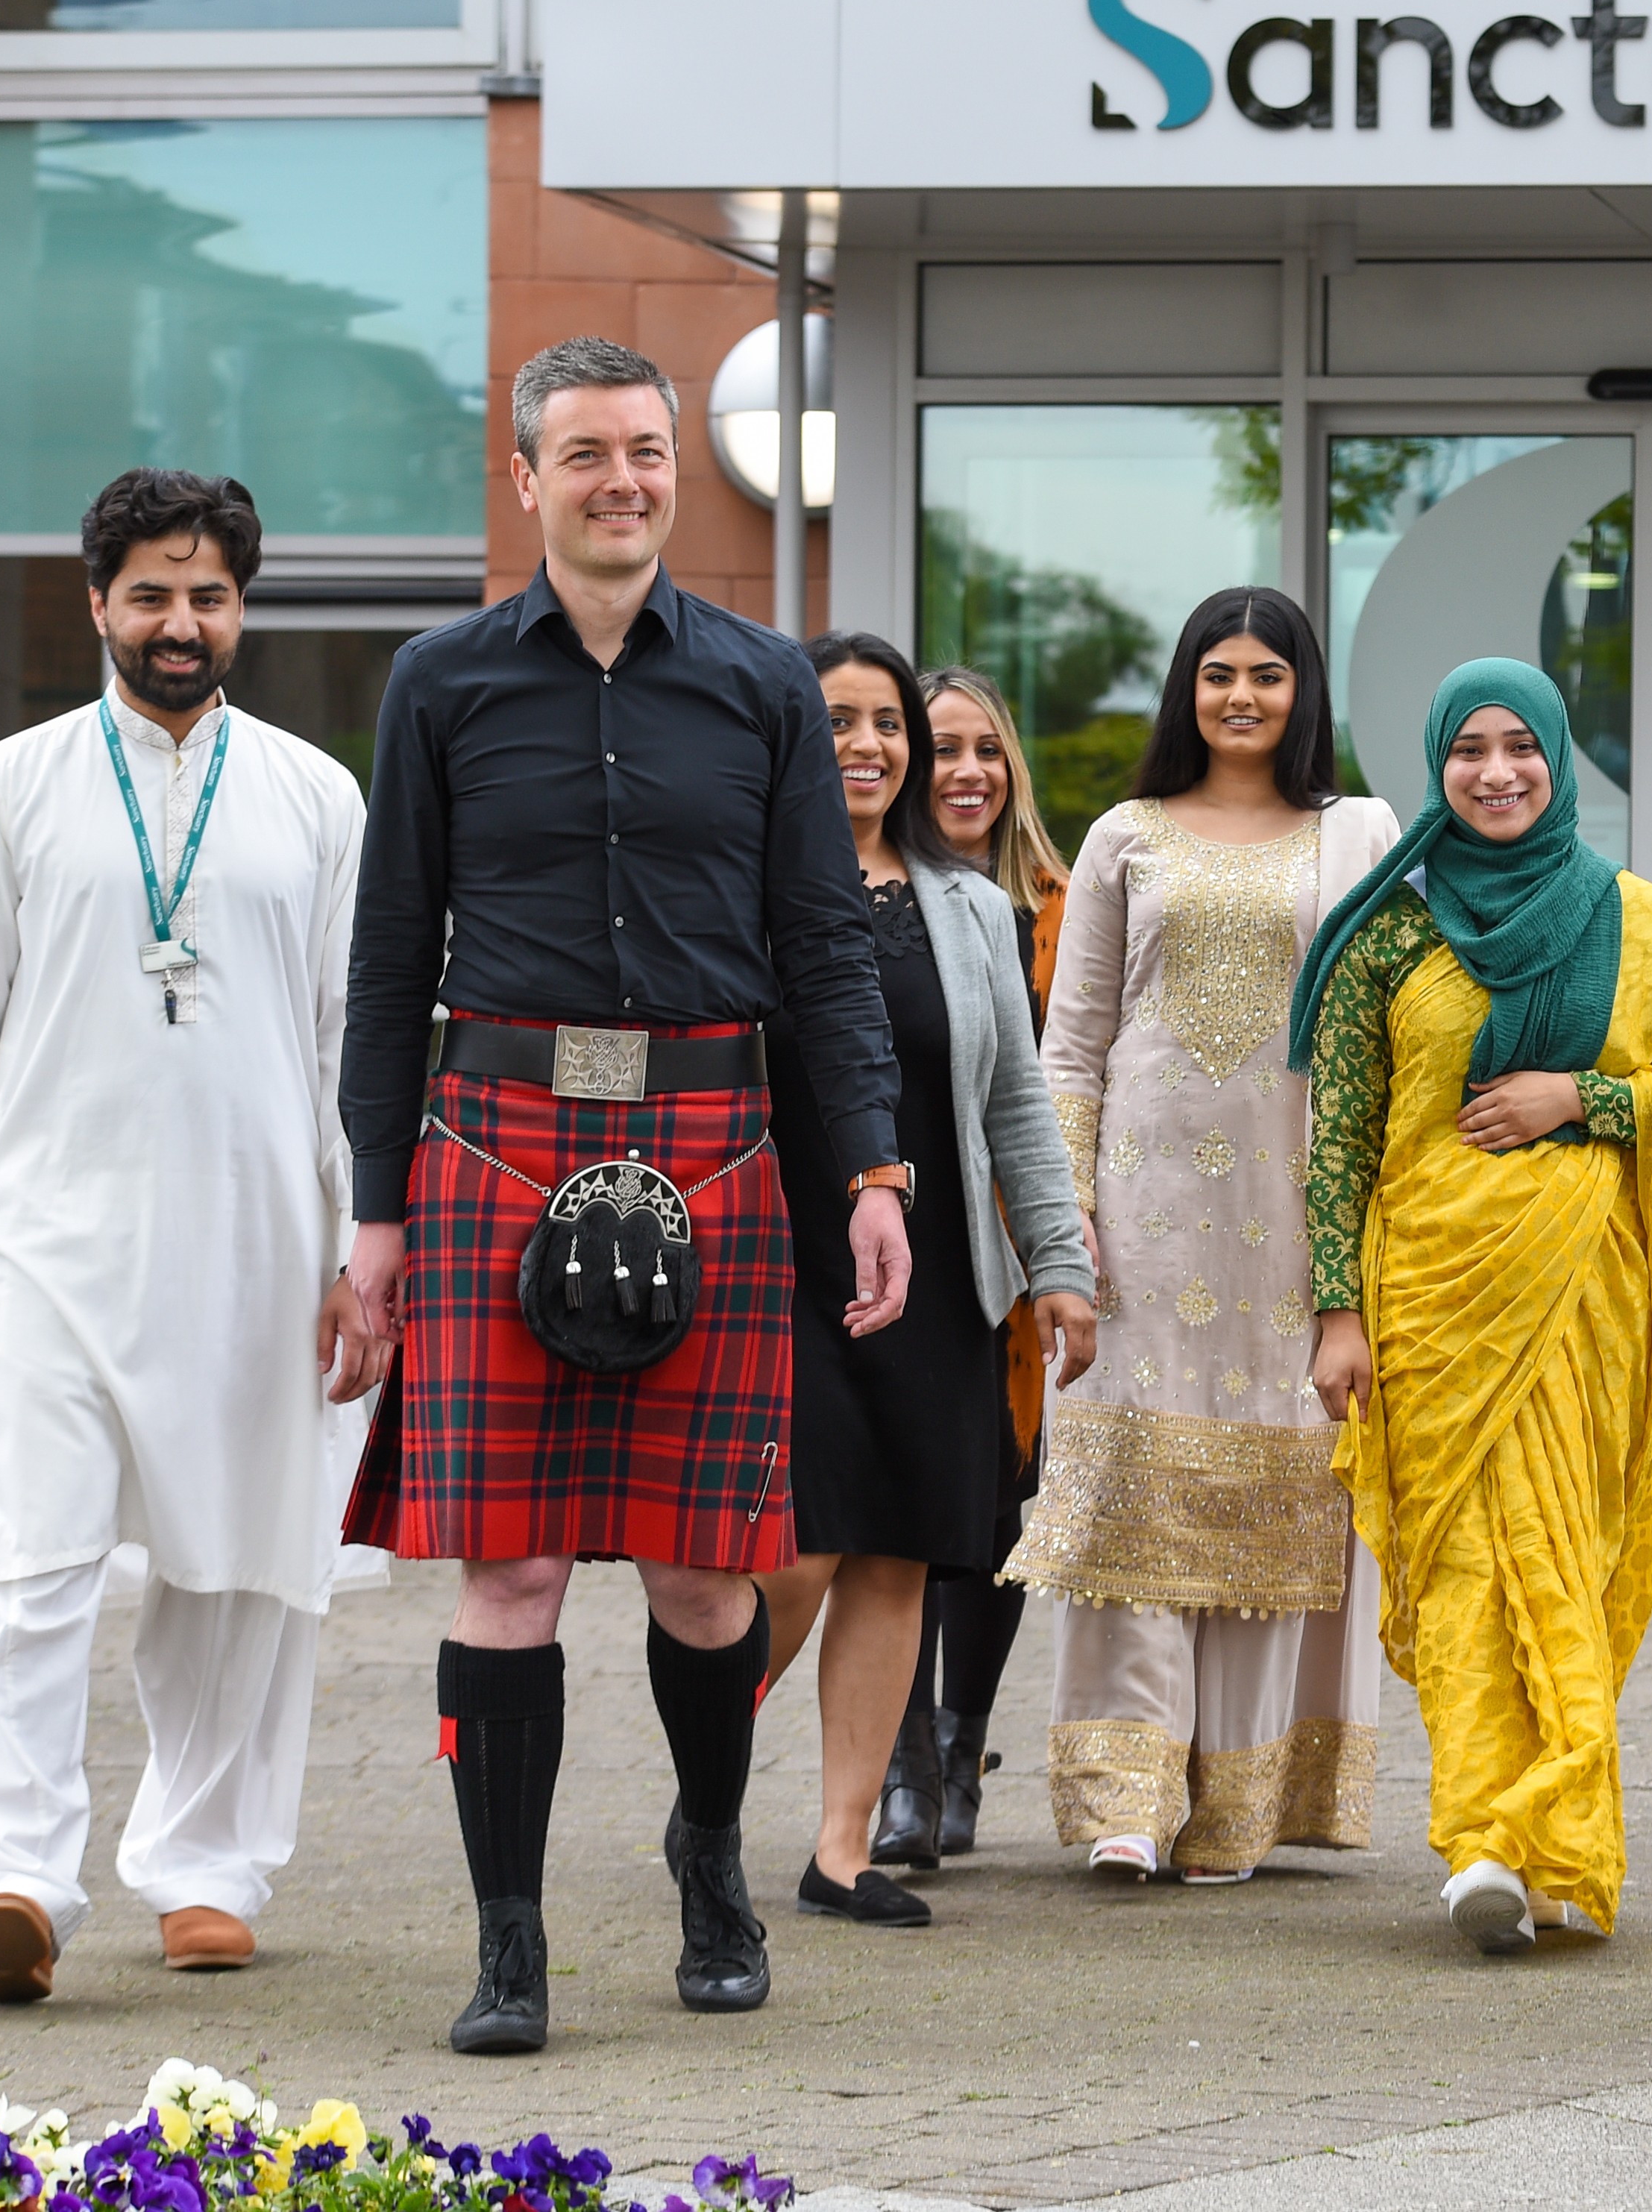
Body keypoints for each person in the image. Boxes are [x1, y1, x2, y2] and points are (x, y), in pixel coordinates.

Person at [339, 337, 915, 2055]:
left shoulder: (757, 685)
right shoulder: (438, 681)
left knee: (702, 1573)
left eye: (646, 451)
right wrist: (377, 1205)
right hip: (490, 1137)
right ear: (526, 478)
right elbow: (388, 958)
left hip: (715, 1136)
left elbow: (824, 947)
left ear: (676, 470)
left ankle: (710, 1861)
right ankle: (507, 1938)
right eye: (584, 452)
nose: (622, 479)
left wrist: (870, 1167)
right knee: (506, 1573)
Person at [0, 468, 385, 2005]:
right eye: (154, 594)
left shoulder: (315, 795)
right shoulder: (5, 788)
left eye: (211, 595)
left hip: (257, 1244)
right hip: (39, 1244)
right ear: (97, 602)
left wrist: (366, 1241)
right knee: (21, 1564)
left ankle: (209, 1865)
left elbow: (349, 1039)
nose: (183, 622)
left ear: (243, 611)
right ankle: (8, 1875)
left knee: (239, 1569)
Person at [1295, 662, 1652, 1955]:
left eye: (1520, 748)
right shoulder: (1390, 926)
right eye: (1468, 751)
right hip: (1427, 1288)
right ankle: (1488, 1838)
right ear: (1434, 766)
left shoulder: (1636, 920)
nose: (1495, 772)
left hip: (1583, 1294)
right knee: (1468, 1571)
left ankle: (1554, 1837)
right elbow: (1340, 1136)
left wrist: (1579, 1100)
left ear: (1556, 758)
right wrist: (1336, 1312)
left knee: (1563, 1557)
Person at [1007, 585, 1401, 1882]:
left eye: (1267, 676)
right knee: (1134, 1488)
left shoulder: (1360, 833)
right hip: (1144, 1210)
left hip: (1296, 1216)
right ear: (1185, 688)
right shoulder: (1126, 831)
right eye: (1217, 673)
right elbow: (1070, 1046)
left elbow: (1387, 1035)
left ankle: (1234, 1805)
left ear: (1304, 694)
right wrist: (1064, 1223)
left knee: (1274, 1496)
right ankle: (1128, 1793)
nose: (1240, 696)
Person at [754, 635, 1095, 1925]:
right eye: (838, 719)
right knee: (795, 1552)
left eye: (887, 722)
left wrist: (1057, 1265)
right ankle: (707, 1783)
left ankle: (842, 1848)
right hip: (783, 1261)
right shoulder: (746, 887)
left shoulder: (968, 906)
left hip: (944, 1271)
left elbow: (1017, 1103)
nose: (870, 745)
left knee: (897, 1553)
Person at [870, 666, 1078, 1867]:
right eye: (941, 746)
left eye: (985, 749)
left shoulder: (1053, 901)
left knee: (997, 1507)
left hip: (1012, 1243)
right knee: (898, 1507)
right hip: (900, 1230)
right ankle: (898, 1771)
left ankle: (959, 1750)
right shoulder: (869, 892)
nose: (965, 771)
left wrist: (1063, 1239)